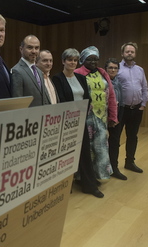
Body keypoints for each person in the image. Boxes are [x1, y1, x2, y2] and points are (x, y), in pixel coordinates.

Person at [52, 48, 104, 198]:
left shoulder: (81, 78)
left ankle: (89, 185)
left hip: (81, 121)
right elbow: (61, 100)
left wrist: (82, 111)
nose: (72, 63)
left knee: (85, 153)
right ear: (63, 61)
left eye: (75, 60)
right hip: (67, 124)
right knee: (66, 155)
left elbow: (87, 99)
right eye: (69, 60)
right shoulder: (58, 79)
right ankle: (65, 186)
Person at [75, 46, 118, 179]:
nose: (93, 62)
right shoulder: (77, 73)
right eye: (89, 59)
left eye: (96, 59)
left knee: (100, 147)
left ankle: (98, 175)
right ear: (83, 60)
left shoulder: (102, 73)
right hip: (85, 118)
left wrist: (113, 116)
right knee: (86, 149)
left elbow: (111, 95)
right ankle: (85, 177)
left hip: (101, 118)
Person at [117, 42, 148, 173]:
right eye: (127, 51)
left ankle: (130, 162)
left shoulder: (140, 70)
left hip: (136, 109)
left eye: (132, 52)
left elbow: (145, 88)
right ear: (122, 53)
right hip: (121, 110)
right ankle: (112, 166)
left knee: (132, 136)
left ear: (135, 54)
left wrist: (143, 105)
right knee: (115, 137)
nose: (129, 53)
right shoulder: (116, 68)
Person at [11, 35, 51, 107]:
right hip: (28, 116)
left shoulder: (39, 71)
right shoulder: (17, 71)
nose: (34, 51)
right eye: (30, 47)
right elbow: (17, 102)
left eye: (37, 48)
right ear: (21, 49)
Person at [105, 58, 128, 180]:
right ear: (106, 69)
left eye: (115, 68)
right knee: (102, 144)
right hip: (104, 117)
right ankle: (103, 169)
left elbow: (122, 101)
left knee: (115, 143)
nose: (113, 70)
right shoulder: (103, 82)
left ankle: (114, 168)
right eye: (110, 68)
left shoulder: (118, 82)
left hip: (117, 117)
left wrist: (118, 117)